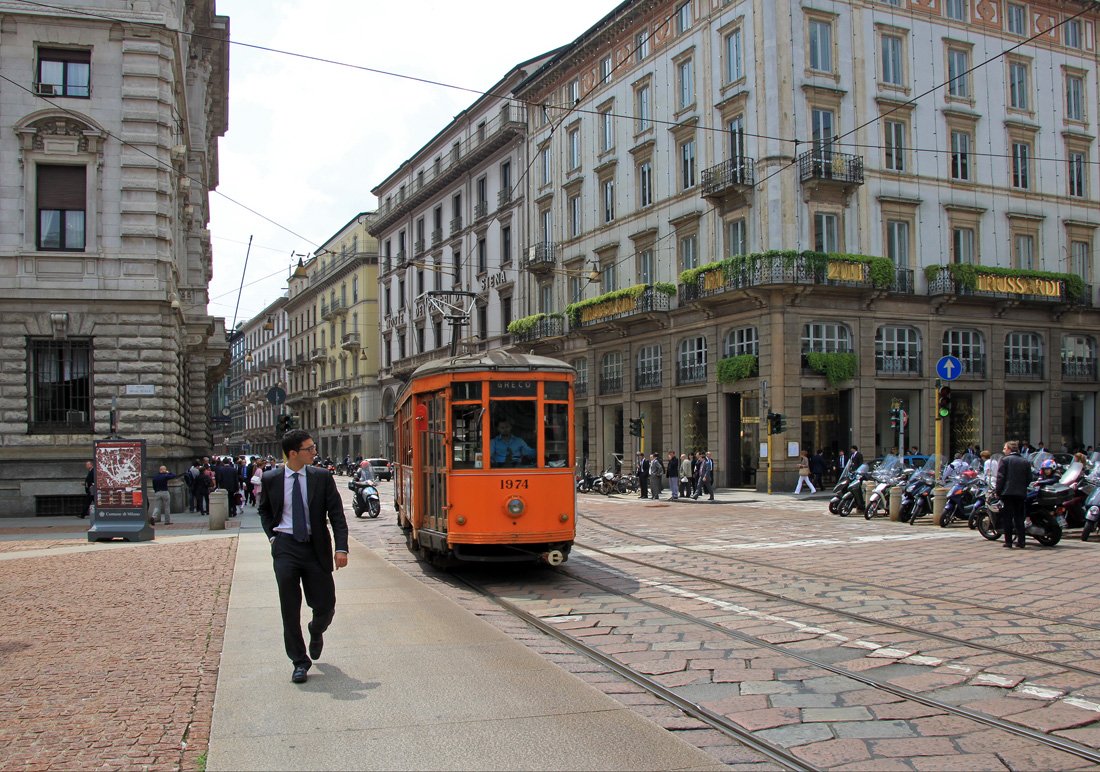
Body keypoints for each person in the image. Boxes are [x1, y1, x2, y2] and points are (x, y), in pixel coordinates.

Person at [258, 430, 349, 684]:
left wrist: (341, 548)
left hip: (315, 547)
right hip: (285, 546)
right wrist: (273, 538)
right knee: (289, 606)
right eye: (309, 449)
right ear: (293, 453)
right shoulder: (271, 478)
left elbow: (337, 515)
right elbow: (264, 511)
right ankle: (299, 661)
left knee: (326, 605)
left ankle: (316, 629)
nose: (314, 452)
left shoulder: (321, 477)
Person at [995, 440, 1031, 549]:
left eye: (1005, 448)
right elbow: (1029, 478)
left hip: (1007, 493)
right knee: (1019, 518)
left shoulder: (1005, 460)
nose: (1003, 450)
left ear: (1010, 449)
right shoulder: (1025, 461)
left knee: (1008, 518)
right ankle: (1021, 541)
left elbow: (1000, 478)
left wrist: (998, 491)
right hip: (1020, 493)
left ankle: (1009, 542)